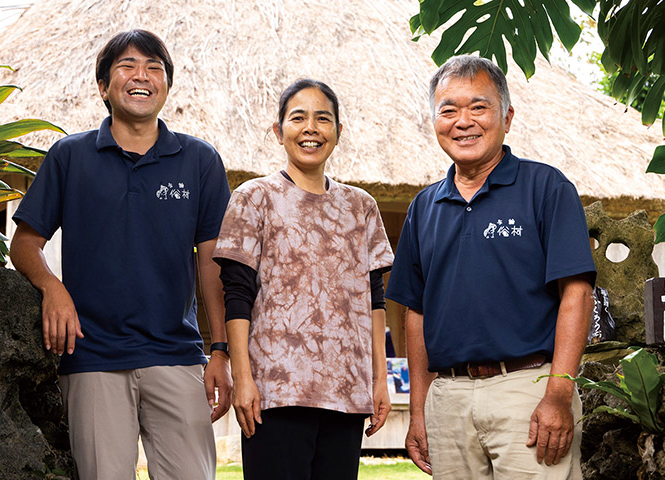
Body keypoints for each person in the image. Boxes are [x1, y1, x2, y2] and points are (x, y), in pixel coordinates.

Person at [9, 29, 232, 479]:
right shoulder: (69, 156)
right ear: (103, 86)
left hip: (177, 355)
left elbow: (213, 265)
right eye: (127, 66)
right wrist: (52, 287)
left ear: (167, 85)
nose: (141, 76)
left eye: (154, 68)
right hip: (92, 359)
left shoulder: (199, 161)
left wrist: (221, 351)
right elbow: (25, 243)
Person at [385, 55, 596, 479]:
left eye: (478, 107)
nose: (463, 121)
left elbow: (577, 292)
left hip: (526, 390)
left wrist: (558, 391)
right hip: (448, 398)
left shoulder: (546, 187)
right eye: (448, 110)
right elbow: (416, 314)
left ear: (507, 116)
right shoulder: (424, 207)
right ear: (434, 121)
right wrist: (421, 411)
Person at [212, 79, 394, 480]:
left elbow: (374, 299)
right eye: (298, 118)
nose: (311, 128)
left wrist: (380, 381)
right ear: (279, 132)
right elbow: (238, 295)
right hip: (275, 395)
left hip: (345, 395)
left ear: (338, 132)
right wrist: (244, 378)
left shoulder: (361, 207)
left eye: (323, 119)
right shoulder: (254, 197)